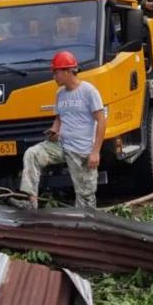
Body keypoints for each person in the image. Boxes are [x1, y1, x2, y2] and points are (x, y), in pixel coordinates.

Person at [18, 50, 106, 209]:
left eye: (56, 72)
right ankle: (29, 202)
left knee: (86, 197)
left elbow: (101, 121)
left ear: (67, 71)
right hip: (61, 146)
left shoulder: (89, 91)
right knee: (32, 154)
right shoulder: (60, 93)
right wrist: (53, 131)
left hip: (82, 151)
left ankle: (86, 223)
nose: (54, 77)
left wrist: (95, 152)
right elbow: (59, 119)